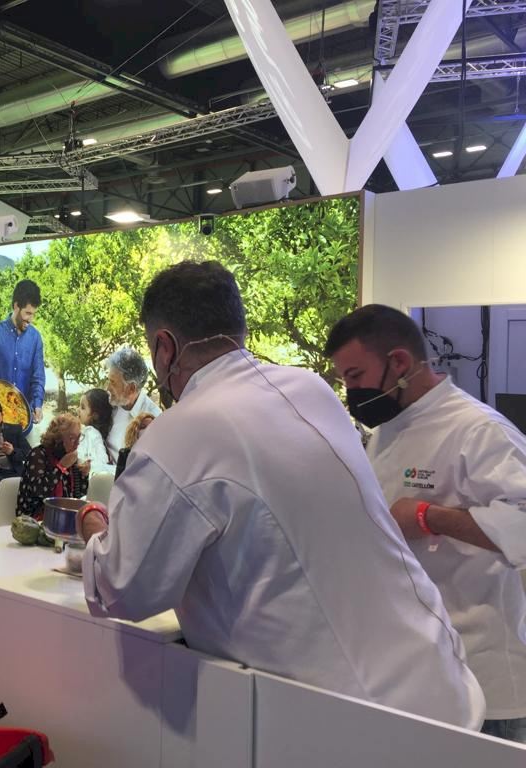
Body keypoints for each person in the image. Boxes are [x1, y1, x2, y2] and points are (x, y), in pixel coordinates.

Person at [78, 260, 484, 728]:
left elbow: (123, 591)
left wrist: (93, 525)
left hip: (360, 726)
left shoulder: (178, 434)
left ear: (165, 347)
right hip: (441, 681)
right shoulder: (311, 389)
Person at [326, 304, 526, 742]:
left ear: (399, 362)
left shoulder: (479, 430)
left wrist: (428, 516)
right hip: (420, 673)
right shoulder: (386, 432)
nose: (351, 391)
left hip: (486, 676)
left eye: (355, 376)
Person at [0, 279, 45, 426]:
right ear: (16, 306)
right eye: (27, 313)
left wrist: (37, 404)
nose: (30, 319)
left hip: (23, 422)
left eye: (33, 314)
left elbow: (38, 377)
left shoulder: (35, 338)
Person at [16, 413, 89, 519]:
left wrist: (84, 475)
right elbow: (40, 492)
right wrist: (61, 467)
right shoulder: (37, 454)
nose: (77, 443)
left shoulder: (70, 456)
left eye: (79, 437)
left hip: (63, 516)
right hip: (34, 518)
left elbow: (79, 496)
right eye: (72, 438)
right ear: (58, 438)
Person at [104, 346, 161, 454]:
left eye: (113, 383)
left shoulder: (154, 420)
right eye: (109, 380)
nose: (108, 388)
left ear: (131, 389)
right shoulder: (109, 404)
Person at [77, 388, 116, 476]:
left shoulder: (92, 433)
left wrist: (91, 466)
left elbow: (103, 459)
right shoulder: (87, 430)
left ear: (95, 415)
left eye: (83, 407)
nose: (78, 410)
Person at [114, 412, 155, 479]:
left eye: (151, 427)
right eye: (143, 427)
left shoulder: (158, 456)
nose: (147, 430)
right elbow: (118, 481)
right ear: (135, 431)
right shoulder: (125, 454)